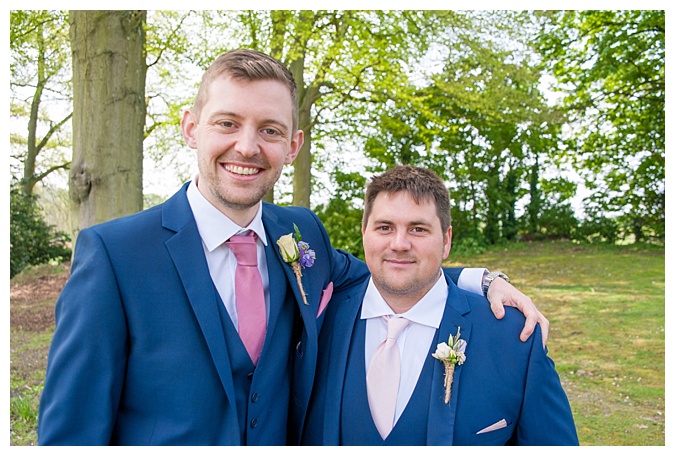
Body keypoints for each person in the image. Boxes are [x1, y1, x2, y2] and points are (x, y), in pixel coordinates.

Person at [38, 50, 549, 446]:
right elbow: (71, 432)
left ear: (293, 145)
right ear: (191, 129)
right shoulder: (114, 253)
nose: (247, 146)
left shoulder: (302, 234)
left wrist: (479, 279)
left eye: (270, 130)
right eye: (227, 123)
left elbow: (383, 267)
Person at [301, 165, 578, 445]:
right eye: (385, 227)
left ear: (446, 241)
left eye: (418, 229)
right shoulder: (316, 322)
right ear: (364, 233)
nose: (399, 244)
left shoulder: (516, 339)